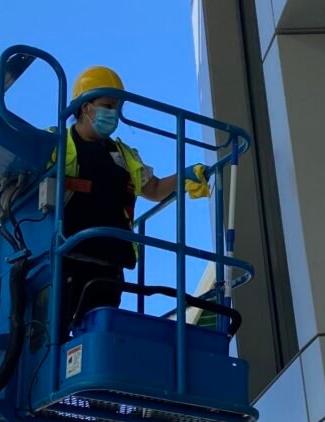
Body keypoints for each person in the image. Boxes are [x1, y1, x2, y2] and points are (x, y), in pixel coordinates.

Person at [56, 65, 210, 340]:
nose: (112, 113)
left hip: (110, 262)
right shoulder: (56, 145)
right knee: (55, 335)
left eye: (116, 107)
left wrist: (186, 177)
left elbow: (153, 189)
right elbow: (22, 176)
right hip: (67, 258)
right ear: (85, 106)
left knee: (99, 334)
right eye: (106, 105)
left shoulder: (123, 153)